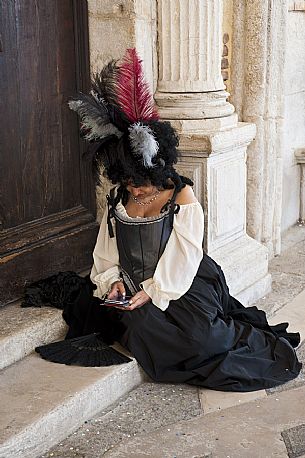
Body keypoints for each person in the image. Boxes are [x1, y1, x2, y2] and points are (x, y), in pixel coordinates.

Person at [65, 48, 301, 391]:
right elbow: (107, 251)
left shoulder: (182, 198)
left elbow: (185, 258)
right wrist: (112, 281)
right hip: (133, 286)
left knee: (203, 339)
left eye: (140, 182)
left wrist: (153, 291)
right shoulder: (119, 199)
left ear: (157, 169)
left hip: (180, 281)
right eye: (127, 181)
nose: (135, 190)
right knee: (139, 328)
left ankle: (241, 337)